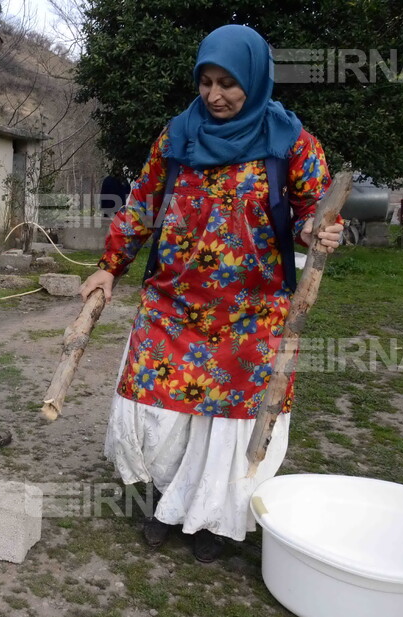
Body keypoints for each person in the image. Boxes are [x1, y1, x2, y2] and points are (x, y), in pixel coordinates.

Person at [79, 25, 344, 563]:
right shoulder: (177, 135)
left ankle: (215, 522)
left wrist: (321, 229)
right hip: (173, 304)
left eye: (228, 83)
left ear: (255, 79)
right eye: (206, 82)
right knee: (151, 408)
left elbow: (314, 213)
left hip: (253, 310)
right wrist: (110, 267)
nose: (215, 95)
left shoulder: (291, 142)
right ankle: (169, 503)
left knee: (233, 421)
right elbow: (141, 205)